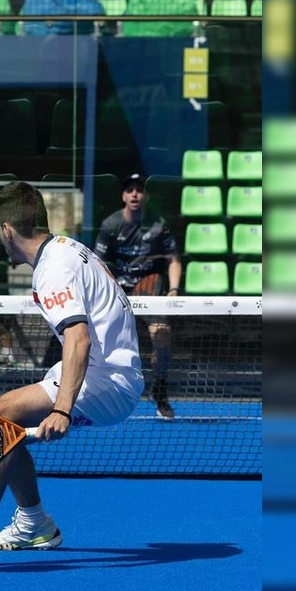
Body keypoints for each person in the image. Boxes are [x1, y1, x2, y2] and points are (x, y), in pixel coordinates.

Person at [0, 181, 142, 562]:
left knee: (3, 411)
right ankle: (34, 524)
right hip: (113, 371)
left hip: (110, 380)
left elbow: (79, 339)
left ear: (7, 230)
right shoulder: (66, 249)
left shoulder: (54, 268)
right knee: (9, 428)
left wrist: (62, 408)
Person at [92, 173, 182, 419]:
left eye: (139, 190)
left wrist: (173, 290)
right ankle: (99, 390)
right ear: (123, 196)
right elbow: (96, 262)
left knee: (161, 333)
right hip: (118, 290)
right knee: (99, 339)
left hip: (149, 288)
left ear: (145, 196)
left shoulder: (158, 224)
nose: (134, 194)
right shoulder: (111, 224)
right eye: (129, 190)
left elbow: (173, 260)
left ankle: (160, 391)